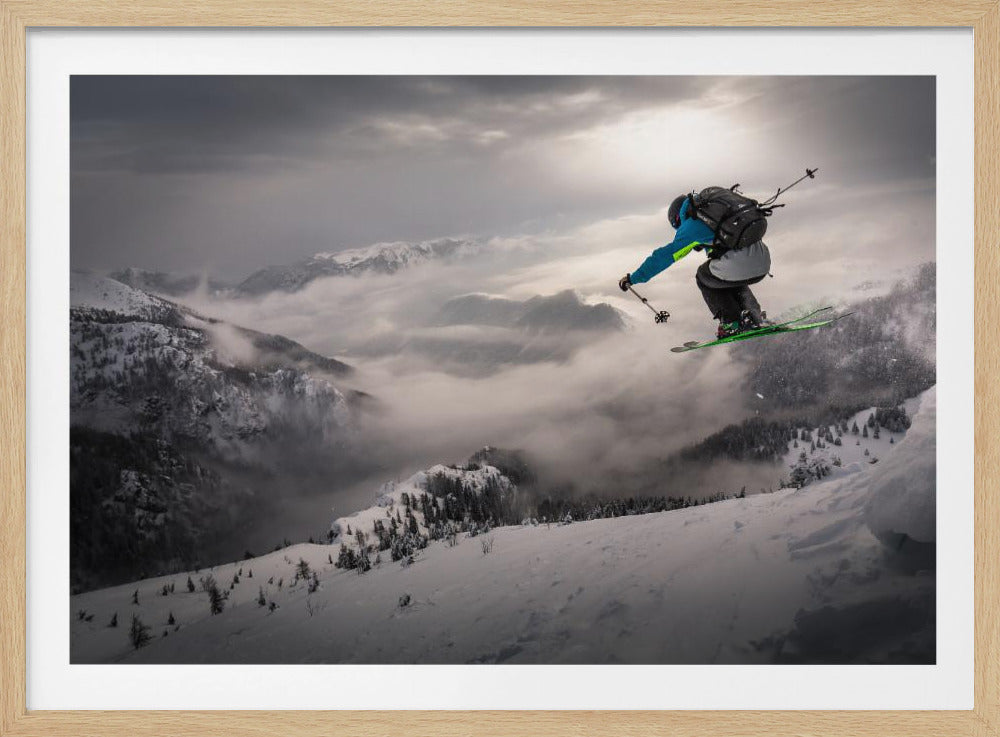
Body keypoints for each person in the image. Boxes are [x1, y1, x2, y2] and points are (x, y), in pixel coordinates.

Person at [619, 194, 772, 338]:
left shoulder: (690, 226)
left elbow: (663, 257)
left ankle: (732, 324)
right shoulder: (715, 211)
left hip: (741, 265)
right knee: (725, 276)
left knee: (703, 276)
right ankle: (755, 315)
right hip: (763, 262)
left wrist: (633, 278)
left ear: (678, 218)